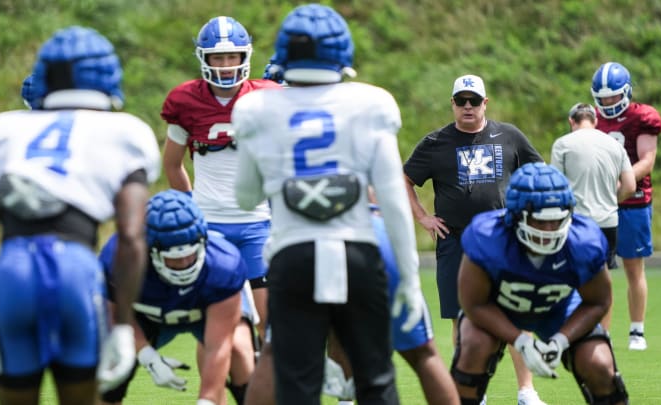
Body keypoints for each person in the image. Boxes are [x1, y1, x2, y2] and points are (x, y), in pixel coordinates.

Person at [233, 4, 425, 404]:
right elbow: (392, 200)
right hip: (357, 252)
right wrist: (409, 279)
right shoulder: (372, 104)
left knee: (298, 387)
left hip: (293, 257)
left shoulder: (255, 108)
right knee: (375, 381)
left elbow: (246, 196)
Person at [0, 26, 161, 405]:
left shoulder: (1, 130)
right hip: (75, 268)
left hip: (13, 270)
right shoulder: (125, 132)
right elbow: (132, 239)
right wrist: (122, 328)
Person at [403, 74, 546, 404]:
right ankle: (472, 393)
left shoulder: (509, 136)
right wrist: (422, 216)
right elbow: (405, 177)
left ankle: (526, 391)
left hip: (504, 240)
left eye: (474, 100)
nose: (468, 106)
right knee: (462, 318)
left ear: (485, 102)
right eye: (461, 100)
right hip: (457, 241)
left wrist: (531, 212)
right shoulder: (436, 142)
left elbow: (538, 171)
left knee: (516, 313)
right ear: (452, 104)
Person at [243, 202, 460, 405]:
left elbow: (247, 197)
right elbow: (392, 197)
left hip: (300, 239)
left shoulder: (274, 158)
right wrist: (408, 270)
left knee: (274, 354)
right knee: (422, 354)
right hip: (367, 233)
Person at [452, 162, 629, 405]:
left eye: (556, 220)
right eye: (539, 221)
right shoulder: (487, 237)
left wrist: (561, 340)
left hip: (558, 309)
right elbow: (474, 304)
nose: (549, 230)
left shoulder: (584, 241)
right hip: (498, 307)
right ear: (515, 216)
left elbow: (599, 302)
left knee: (599, 363)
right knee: (474, 346)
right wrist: (521, 342)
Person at [160, 16, 282, 341]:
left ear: (245, 57)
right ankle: (219, 391)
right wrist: (190, 210)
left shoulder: (268, 96)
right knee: (221, 324)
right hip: (211, 226)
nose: (226, 65)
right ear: (204, 58)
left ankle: (268, 390)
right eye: (218, 57)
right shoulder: (186, 101)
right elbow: (172, 165)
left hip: (259, 224)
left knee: (270, 323)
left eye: (232, 57)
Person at [98, 190, 255, 405]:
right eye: (173, 260)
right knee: (110, 364)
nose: (183, 265)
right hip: (146, 314)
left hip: (207, 308)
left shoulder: (223, 265)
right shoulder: (121, 260)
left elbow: (219, 346)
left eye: (189, 256)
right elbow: (116, 318)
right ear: (150, 250)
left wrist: (207, 400)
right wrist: (148, 357)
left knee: (240, 351)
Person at [590, 61, 661, 351]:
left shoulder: (642, 118)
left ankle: (637, 331)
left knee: (634, 268)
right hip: (601, 203)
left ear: (626, 92)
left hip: (632, 202)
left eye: (613, 97)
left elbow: (646, 161)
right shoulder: (592, 118)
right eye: (603, 98)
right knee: (600, 269)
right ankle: (602, 332)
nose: (608, 103)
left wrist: (618, 185)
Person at [550, 102, 636, 329]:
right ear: (595, 120)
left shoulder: (563, 144)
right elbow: (629, 185)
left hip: (575, 223)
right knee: (602, 282)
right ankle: (602, 335)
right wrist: (610, 200)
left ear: (572, 121)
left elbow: (555, 187)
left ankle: (570, 333)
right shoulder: (614, 144)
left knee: (570, 280)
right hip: (607, 222)